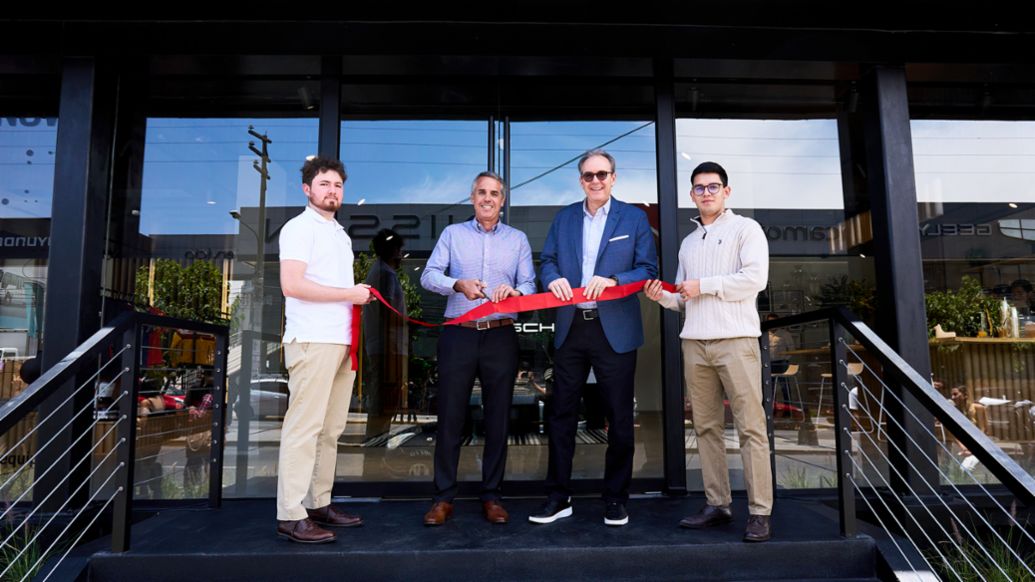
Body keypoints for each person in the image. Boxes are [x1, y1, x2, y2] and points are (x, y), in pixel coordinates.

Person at [645, 160, 773, 542]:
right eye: (699, 188)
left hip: (737, 341)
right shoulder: (688, 242)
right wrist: (664, 297)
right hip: (695, 342)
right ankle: (718, 504)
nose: (706, 193)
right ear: (691, 195)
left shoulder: (746, 229)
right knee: (705, 428)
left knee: (751, 428)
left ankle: (759, 512)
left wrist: (706, 285)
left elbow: (755, 280)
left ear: (726, 192)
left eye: (712, 187)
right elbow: (687, 298)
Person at [530, 149, 658, 527]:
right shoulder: (565, 217)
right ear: (580, 180)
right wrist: (551, 277)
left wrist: (617, 280)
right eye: (589, 175)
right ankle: (559, 496)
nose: (596, 180)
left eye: (602, 174)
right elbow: (548, 259)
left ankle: (616, 498)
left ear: (614, 178)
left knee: (619, 418)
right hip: (572, 326)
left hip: (614, 329)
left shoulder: (632, 218)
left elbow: (647, 269)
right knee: (561, 415)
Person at [420, 171, 535, 526]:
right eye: (481, 192)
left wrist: (516, 294)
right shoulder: (453, 235)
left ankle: (492, 496)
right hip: (459, 335)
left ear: (502, 201)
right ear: (472, 198)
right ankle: (443, 498)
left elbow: (530, 286)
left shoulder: (518, 240)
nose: (488, 198)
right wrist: (457, 283)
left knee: (498, 418)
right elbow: (427, 275)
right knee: (451, 417)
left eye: (495, 193)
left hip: (500, 335)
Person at [275, 156, 374, 544]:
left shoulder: (339, 234)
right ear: (307, 189)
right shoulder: (299, 229)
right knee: (304, 429)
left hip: (340, 341)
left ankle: (318, 503)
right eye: (324, 184)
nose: (332, 191)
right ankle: (290, 513)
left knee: (330, 430)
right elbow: (292, 285)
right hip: (311, 340)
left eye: (337, 185)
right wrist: (350, 294)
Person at [362, 228, 408, 441]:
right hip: (388, 347)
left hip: (382, 345)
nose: (401, 255)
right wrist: (409, 326)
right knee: (385, 400)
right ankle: (377, 443)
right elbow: (388, 312)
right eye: (399, 250)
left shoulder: (378, 271)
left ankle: (377, 441)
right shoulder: (385, 274)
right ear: (391, 250)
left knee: (381, 399)